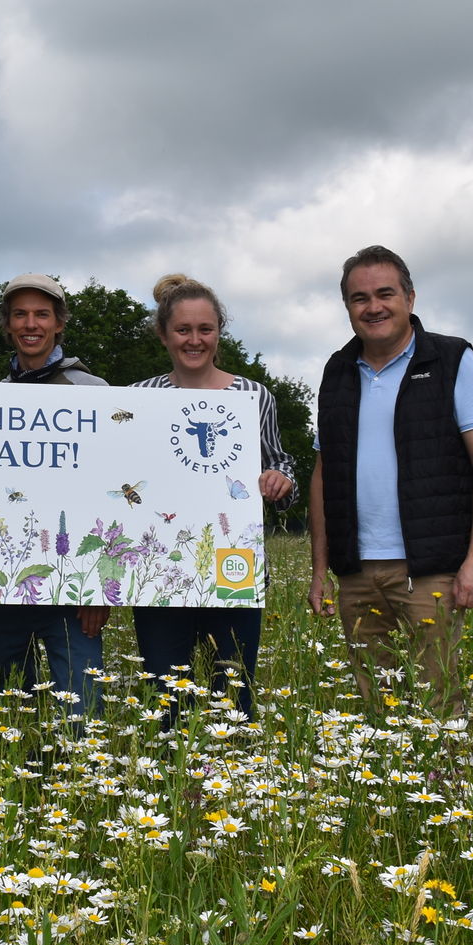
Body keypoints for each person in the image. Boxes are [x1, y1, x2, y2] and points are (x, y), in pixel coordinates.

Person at [307, 245, 473, 711]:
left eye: (385, 294)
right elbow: (323, 474)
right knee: (376, 703)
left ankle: (447, 762)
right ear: (347, 307)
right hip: (355, 571)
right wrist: (319, 571)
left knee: (439, 703)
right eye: (359, 298)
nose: (373, 307)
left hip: (429, 569)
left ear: (410, 298)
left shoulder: (451, 359)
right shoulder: (336, 371)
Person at [129, 273, 297, 722]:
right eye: (183, 329)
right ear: (163, 334)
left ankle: (233, 759)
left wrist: (280, 481)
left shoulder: (253, 396)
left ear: (219, 331)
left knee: (233, 696)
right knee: (166, 699)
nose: (195, 340)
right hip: (159, 571)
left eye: (205, 329)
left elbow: (282, 463)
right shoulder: (140, 397)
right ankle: (170, 762)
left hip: (233, 564)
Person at [0, 273, 110, 718]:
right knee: (12, 717)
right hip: (2, 589)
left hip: (74, 592)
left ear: (59, 323)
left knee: (83, 715)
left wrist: (100, 590)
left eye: (42, 314)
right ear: (8, 324)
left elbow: (110, 494)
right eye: (20, 314)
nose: (31, 324)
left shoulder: (95, 392)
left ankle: (81, 768)